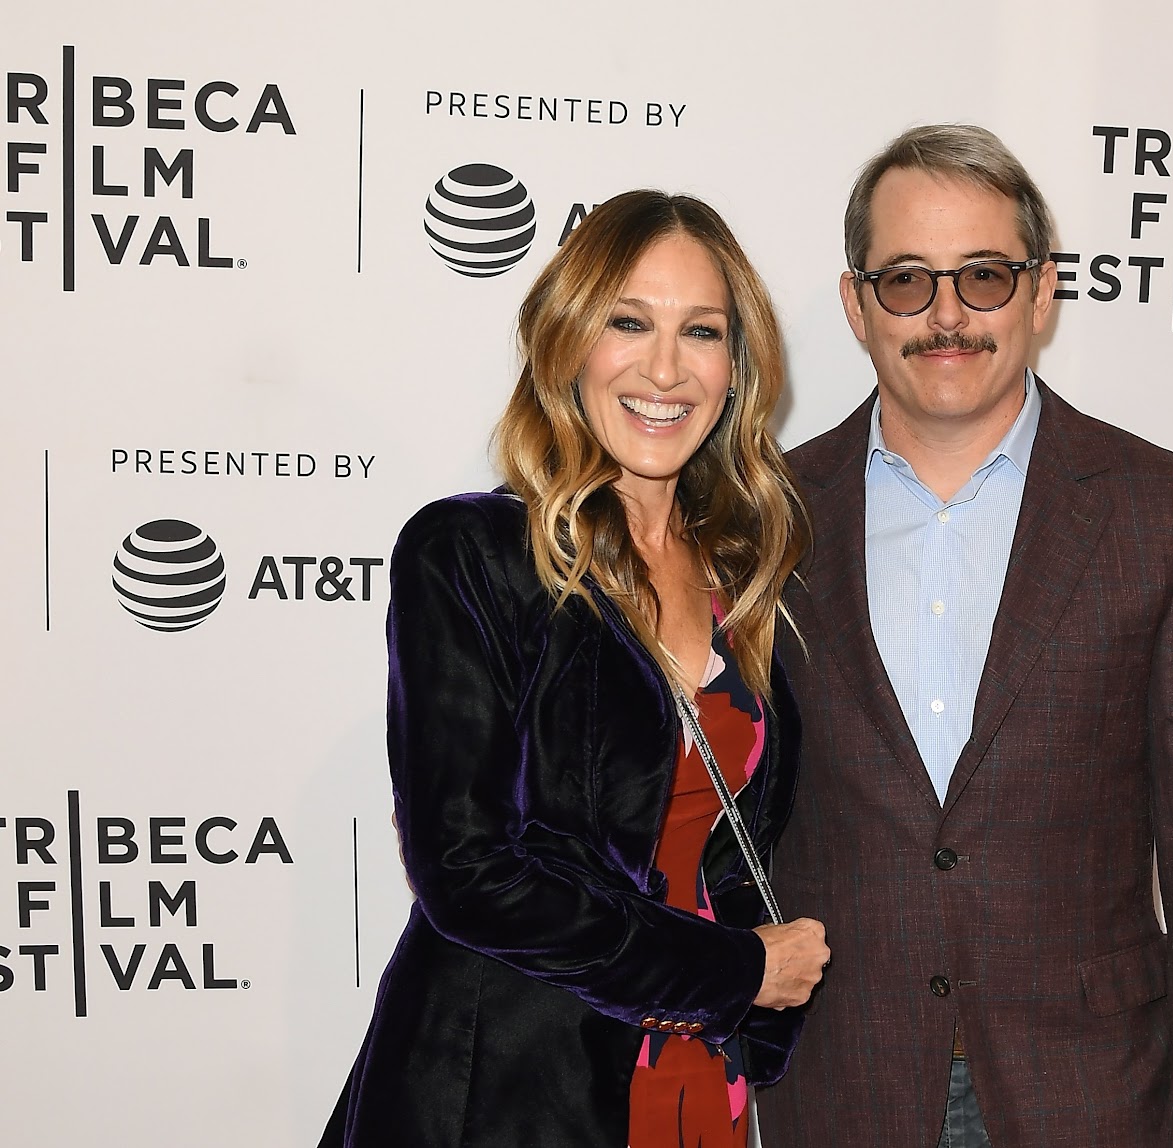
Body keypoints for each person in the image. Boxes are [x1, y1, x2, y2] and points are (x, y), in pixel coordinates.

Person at [757, 125, 1173, 1147]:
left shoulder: (1161, 514)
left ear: (1040, 292)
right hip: (837, 1088)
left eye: (984, 276)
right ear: (855, 304)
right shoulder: (767, 516)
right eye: (905, 279)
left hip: (1090, 1095)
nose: (946, 314)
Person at [320, 190, 829, 1148]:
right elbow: (468, 871)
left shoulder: (745, 573)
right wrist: (732, 973)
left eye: (703, 332)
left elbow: (733, 847)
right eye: (627, 322)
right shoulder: (472, 553)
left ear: (738, 368)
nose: (666, 369)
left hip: (695, 1073)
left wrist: (758, 996)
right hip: (511, 1089)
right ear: (567, 345)